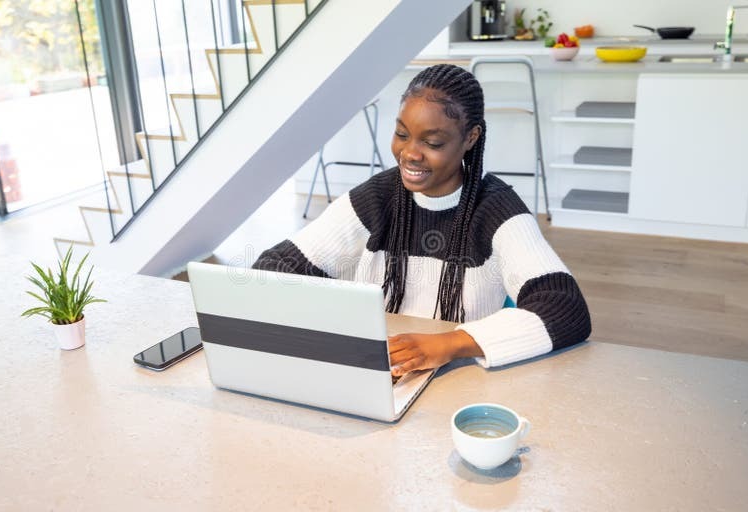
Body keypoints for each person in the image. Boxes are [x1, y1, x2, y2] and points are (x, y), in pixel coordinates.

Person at [253, 64, 591, 377]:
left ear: (470, 138)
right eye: (402, 134)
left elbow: (566, 308)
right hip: (381, 371)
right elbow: (273, 267)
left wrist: (449, 344)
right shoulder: (376, 198)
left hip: (460, 376)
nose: (410, 154)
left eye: (432, 142)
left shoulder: (497, 209)